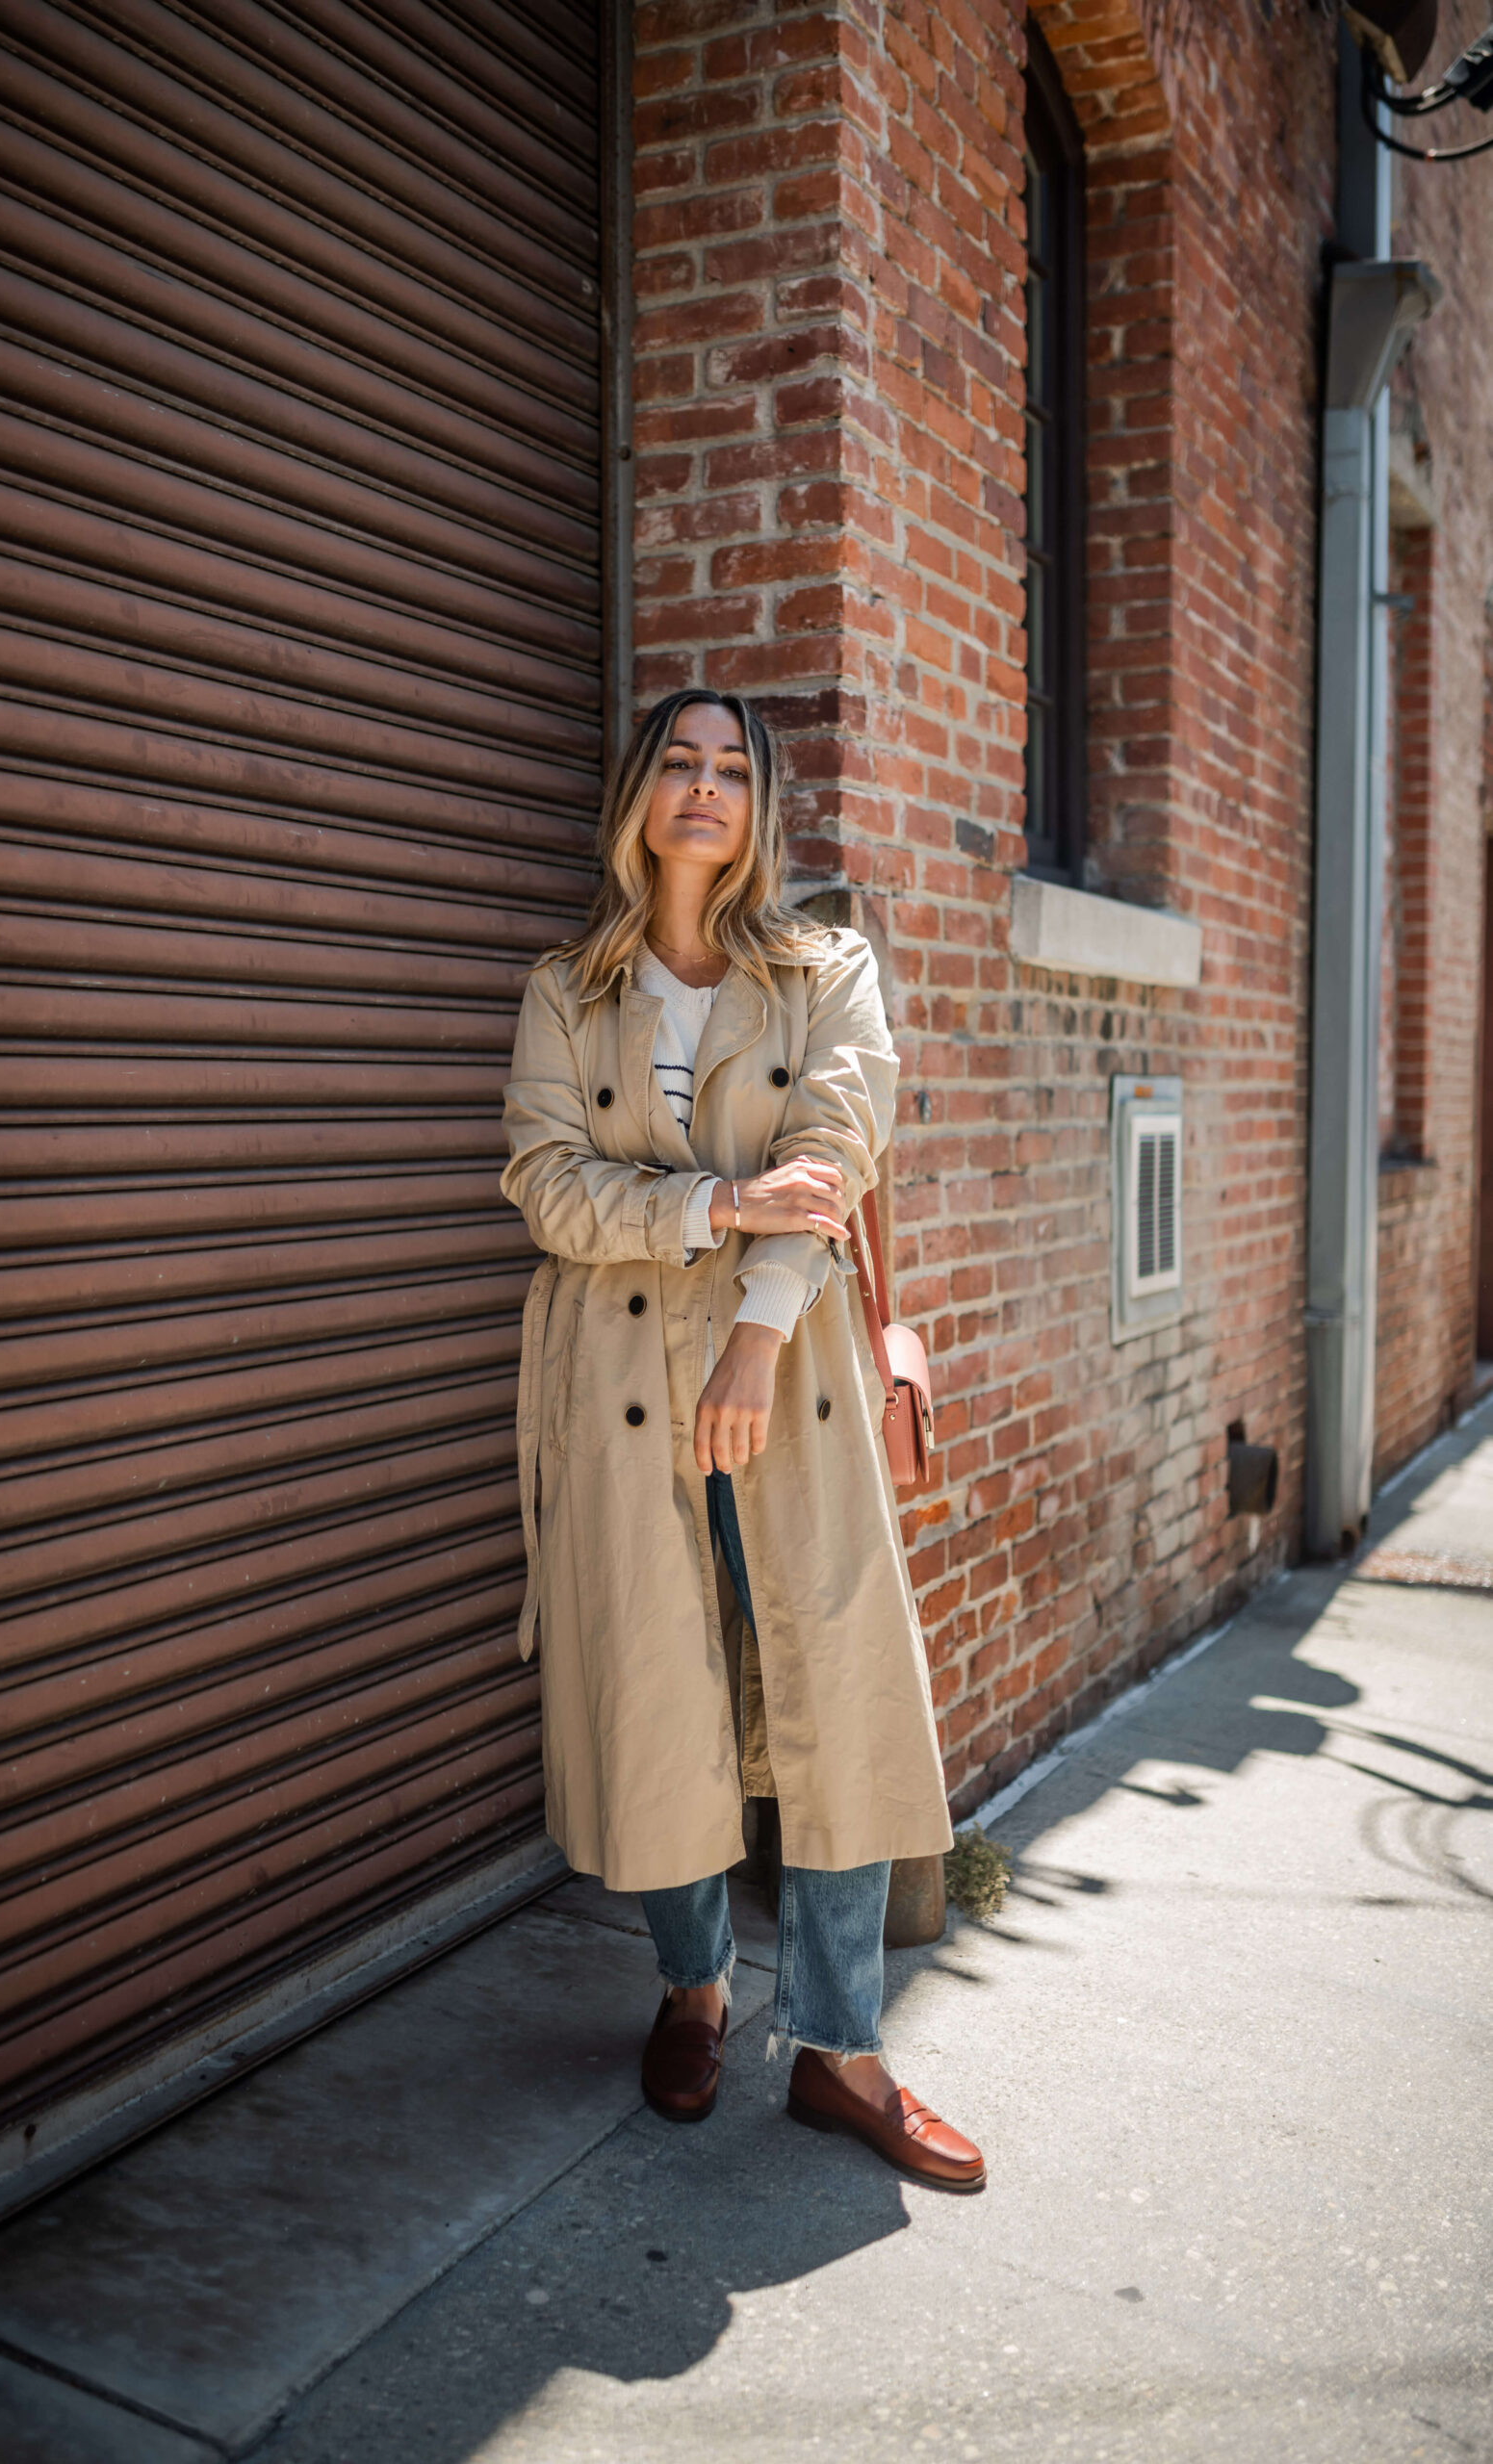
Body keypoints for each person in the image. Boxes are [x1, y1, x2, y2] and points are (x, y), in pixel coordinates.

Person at [501, 687, 985, 2191]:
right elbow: (543, 1181)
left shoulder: (826, 968)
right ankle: (697, 1993)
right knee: (664, 1696)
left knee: (834, 1695)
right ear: (641, 797)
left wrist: (761, 1331)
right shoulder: (567, 992)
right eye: (681, 766)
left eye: (734, 770)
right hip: (616, 1386)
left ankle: (842, 2048)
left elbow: (836, 1150)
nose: (706, 790)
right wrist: (713, 1202)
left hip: (794, 1380)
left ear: (761, 810)